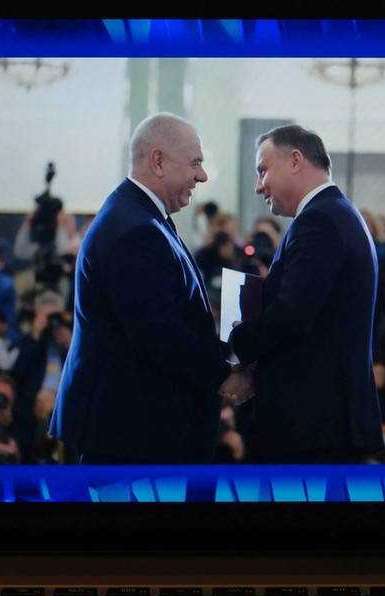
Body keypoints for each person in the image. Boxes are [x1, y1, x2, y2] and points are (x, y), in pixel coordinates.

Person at [49, 112, 248, 464]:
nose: (202, 176)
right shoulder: (135, 229)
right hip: (130, 436)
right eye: (195, 164)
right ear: (158, 161)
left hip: (139, 431)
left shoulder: (141, 217)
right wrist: (223, 375)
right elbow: (157, 331)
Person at [228, 124, 383, 463]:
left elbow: (293, 314)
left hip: (314, 425)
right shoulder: (335, 213)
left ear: (295, 160)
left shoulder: (319, 220)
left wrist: (238, 341)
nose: (258, 186)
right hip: (322, 422)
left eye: (263, 170)